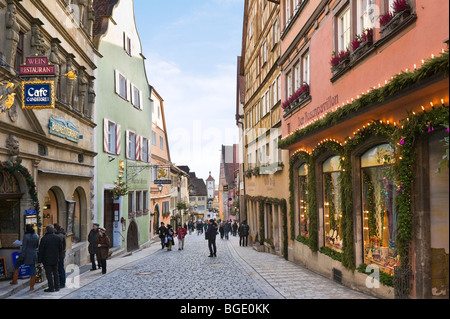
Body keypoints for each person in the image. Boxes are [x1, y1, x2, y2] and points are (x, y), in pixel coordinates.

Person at [10, 224, 39, 291]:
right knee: (32, 270)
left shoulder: (26, 236)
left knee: (17, 264)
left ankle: (15, 280)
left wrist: (22, 256)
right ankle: (32, 287)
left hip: (26, 254)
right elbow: (37, 245)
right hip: (33, 254)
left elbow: (24, 248)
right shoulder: (36, 236)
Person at [38, 224, 63, 292]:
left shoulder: (44, 238)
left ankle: (51, 287)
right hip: (55, 258)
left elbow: (41, 250)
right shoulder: (57, 238)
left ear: (46, 230)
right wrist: (59, 256)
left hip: (47, 259)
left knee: (48, 273)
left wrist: (39, 260)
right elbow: (61, 248)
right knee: (55, 272)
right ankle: (57, 286)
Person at [54, 224, 66, 288]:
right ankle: (61, 282)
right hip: (61, 254)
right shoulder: (61, 235)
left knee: (60, 268)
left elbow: (60, 247)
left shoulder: (59, 236)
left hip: (59, 255)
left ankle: (62, 282)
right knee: (60, 268)